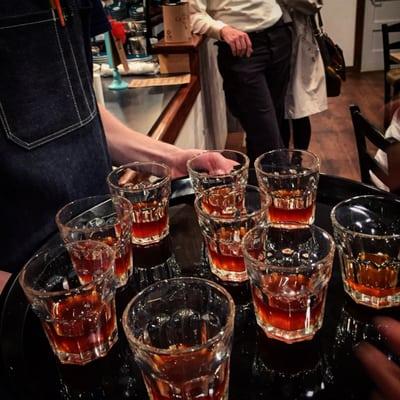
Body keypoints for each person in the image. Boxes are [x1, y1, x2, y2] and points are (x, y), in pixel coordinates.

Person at [0, 0, 233, 293]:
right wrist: (20, 299)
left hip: (104, 248)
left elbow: (80, 109)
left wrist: (172, 159)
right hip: (25, 278)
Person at [189, 0, 293, 164]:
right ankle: (285, 184)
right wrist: (221, 29)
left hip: (278, 35)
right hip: (241, 48)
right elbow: (190, 14)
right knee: (267, 138)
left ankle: (257, 184)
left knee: (270, 128)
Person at [279, 0, 327, 150]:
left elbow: (314, 4)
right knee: (278, 110)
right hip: (269, 46)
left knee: (300, 109)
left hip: (298, 44)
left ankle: (299, 158)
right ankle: (282, 159)